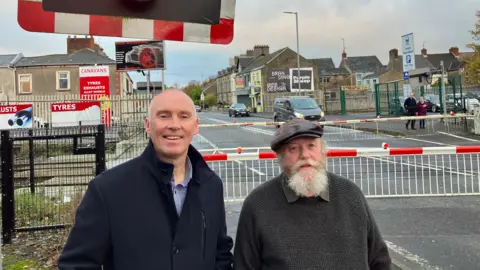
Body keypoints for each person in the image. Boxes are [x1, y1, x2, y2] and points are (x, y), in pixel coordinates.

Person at [58, 89, 234, 270]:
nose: (174, 125)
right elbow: (76, 264)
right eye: (164, 116)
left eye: (184, 116)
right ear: (148, 125)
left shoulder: (211, 186)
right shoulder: (108, 190)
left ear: (195, 126)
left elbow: (220, 254)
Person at [233, 118, 392, 270]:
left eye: (311, 146)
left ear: (322, 152)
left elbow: (379, 260)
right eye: (294, 148)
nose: (305, 155)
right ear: (281, 158)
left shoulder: (350, 194)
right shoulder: (258, 204)